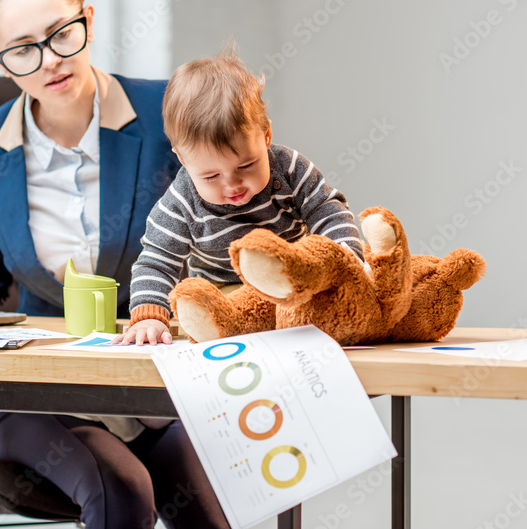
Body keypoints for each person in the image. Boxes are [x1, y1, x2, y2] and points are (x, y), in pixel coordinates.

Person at [0, 0, 241, 529]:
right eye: (23, 50)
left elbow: (227, 223)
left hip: (153, 378)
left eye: (63, 34)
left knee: (210, 518)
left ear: (88, 17)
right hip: (39, 390)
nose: (51, 61)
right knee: (120, 489)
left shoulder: (166, 112)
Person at [115, 47, 365, 345]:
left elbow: (328, 209)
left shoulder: (288, 169)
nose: (232, 184)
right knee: (208, 311)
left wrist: (345, 253)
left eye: (246, 165)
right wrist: (150, 317)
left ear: (266, 136)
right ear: (182, 159)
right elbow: (156, 261)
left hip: (292, 288)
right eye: (211, 176)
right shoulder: (181, 202)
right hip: (224, 296)